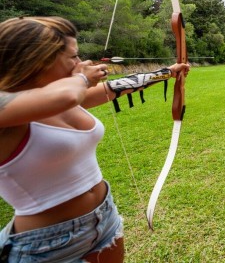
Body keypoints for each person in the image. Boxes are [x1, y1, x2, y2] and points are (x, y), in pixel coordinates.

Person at [0, 16, 189, 262]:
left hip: (104, 217)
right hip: (43, 244)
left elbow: (111, 89)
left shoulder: (68, 94)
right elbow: (66, 96)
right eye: (73, 57)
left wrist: (166, 73)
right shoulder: (9, 106)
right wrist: (81, 78)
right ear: (38, 60)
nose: (80, 62)